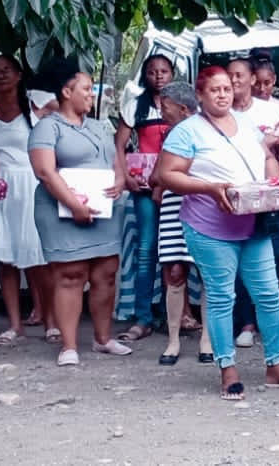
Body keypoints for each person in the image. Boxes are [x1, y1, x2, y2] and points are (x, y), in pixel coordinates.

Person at [154, 66, 279, 400]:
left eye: (227, 88)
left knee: (269, 294)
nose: (223, 94)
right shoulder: (187, 131)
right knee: (223, 296)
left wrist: (275, 184)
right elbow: (166, 175)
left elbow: (267, 157)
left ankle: (275, 365)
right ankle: (228, 369)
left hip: (254, 221)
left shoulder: (247, 124)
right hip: (210, 226)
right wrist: (210, 188)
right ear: (200, 95)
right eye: (215, 90)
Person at [31, 62, 130, 366]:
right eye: (86, 89)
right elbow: (45, 171)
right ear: (66, 92)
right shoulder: (48, 126)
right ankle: (69, 345)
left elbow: (116, 159)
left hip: (103, 211)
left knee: (106, 272)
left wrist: (119, 179)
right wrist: (73, 205)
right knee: (70, 275)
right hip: (63, 211)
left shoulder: (99, 126)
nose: (91, 95)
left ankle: (103, 339)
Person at [0, 55, 57, 345]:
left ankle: (51, 321)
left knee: (37, 257)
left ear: (19, 74)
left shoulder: (37, 101)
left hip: (31, 182)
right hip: (0, 187)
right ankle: (15, 324)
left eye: (5, 70)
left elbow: (67, 115)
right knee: (6, 258)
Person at [226, 57, 279, 349]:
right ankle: (246, 323)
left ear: (250, 79)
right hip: (234, 194)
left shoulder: (274, 111)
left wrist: (275, 142)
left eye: (239, 75)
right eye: (229, 76)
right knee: (239, 259)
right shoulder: (219, 113)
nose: (234, 81)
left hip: (269, 193)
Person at [112, 55, 176, 342]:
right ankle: (143, 316)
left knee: (174, 251)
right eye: (152, 72)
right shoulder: (134, 105)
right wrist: (125, 176)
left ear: (172, 74)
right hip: (144, 185)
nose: (158, 76)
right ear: (145, 76)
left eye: (163, 71)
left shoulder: (183, 105)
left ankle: (172, 315)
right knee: (147, 248)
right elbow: (119, 145)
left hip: (175, 184)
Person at [152, 82, 213, 365]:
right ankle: (173, 340)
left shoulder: (208, 130)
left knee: (208, 273)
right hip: (174, 206)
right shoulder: (171, 135)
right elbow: (158, 176)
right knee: (175, 271)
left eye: (165, 106)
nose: (161, 111)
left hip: (202, 204)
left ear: (183, 108)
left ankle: (208, 340)